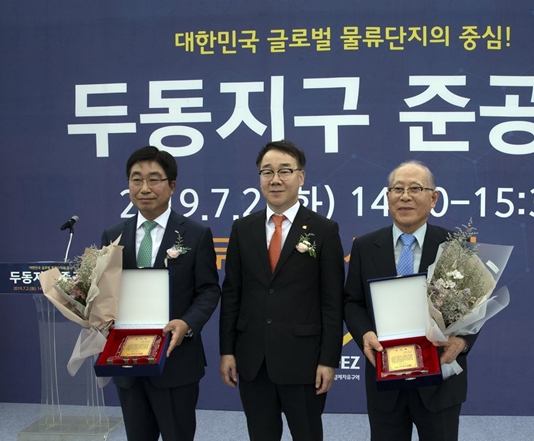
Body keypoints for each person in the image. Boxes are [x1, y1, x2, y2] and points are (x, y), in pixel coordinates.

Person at [219, 140, 344, 441]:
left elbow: (332, 301)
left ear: (301, 177)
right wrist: (227, 351)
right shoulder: (242, 229)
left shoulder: (324, 230)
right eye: (267, 172)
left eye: (284, 171)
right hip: (253, 359)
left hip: (304, 361)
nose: (275, 179)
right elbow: (232, 293)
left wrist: (328, 359)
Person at [343, 160, 476, 441]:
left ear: (433, 197)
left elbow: (474, 304)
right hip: (386, 376)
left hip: (440, 377)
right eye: (397, 189)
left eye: (415, 188)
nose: (405, 196)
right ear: (388, 197)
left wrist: (463, 342)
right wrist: (364, 333)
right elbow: (352, 301)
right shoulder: (365, 246)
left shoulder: (455, 245)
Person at [101, 146, 221, 441]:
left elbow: (208, 290)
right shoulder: (113, 235)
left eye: (154, 179)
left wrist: (187, 323)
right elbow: (104, 289)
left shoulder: (195, 234)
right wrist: (100, 314)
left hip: (175, 358)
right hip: (126, 359)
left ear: (172, 186)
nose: (144, 188)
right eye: (136, 179)